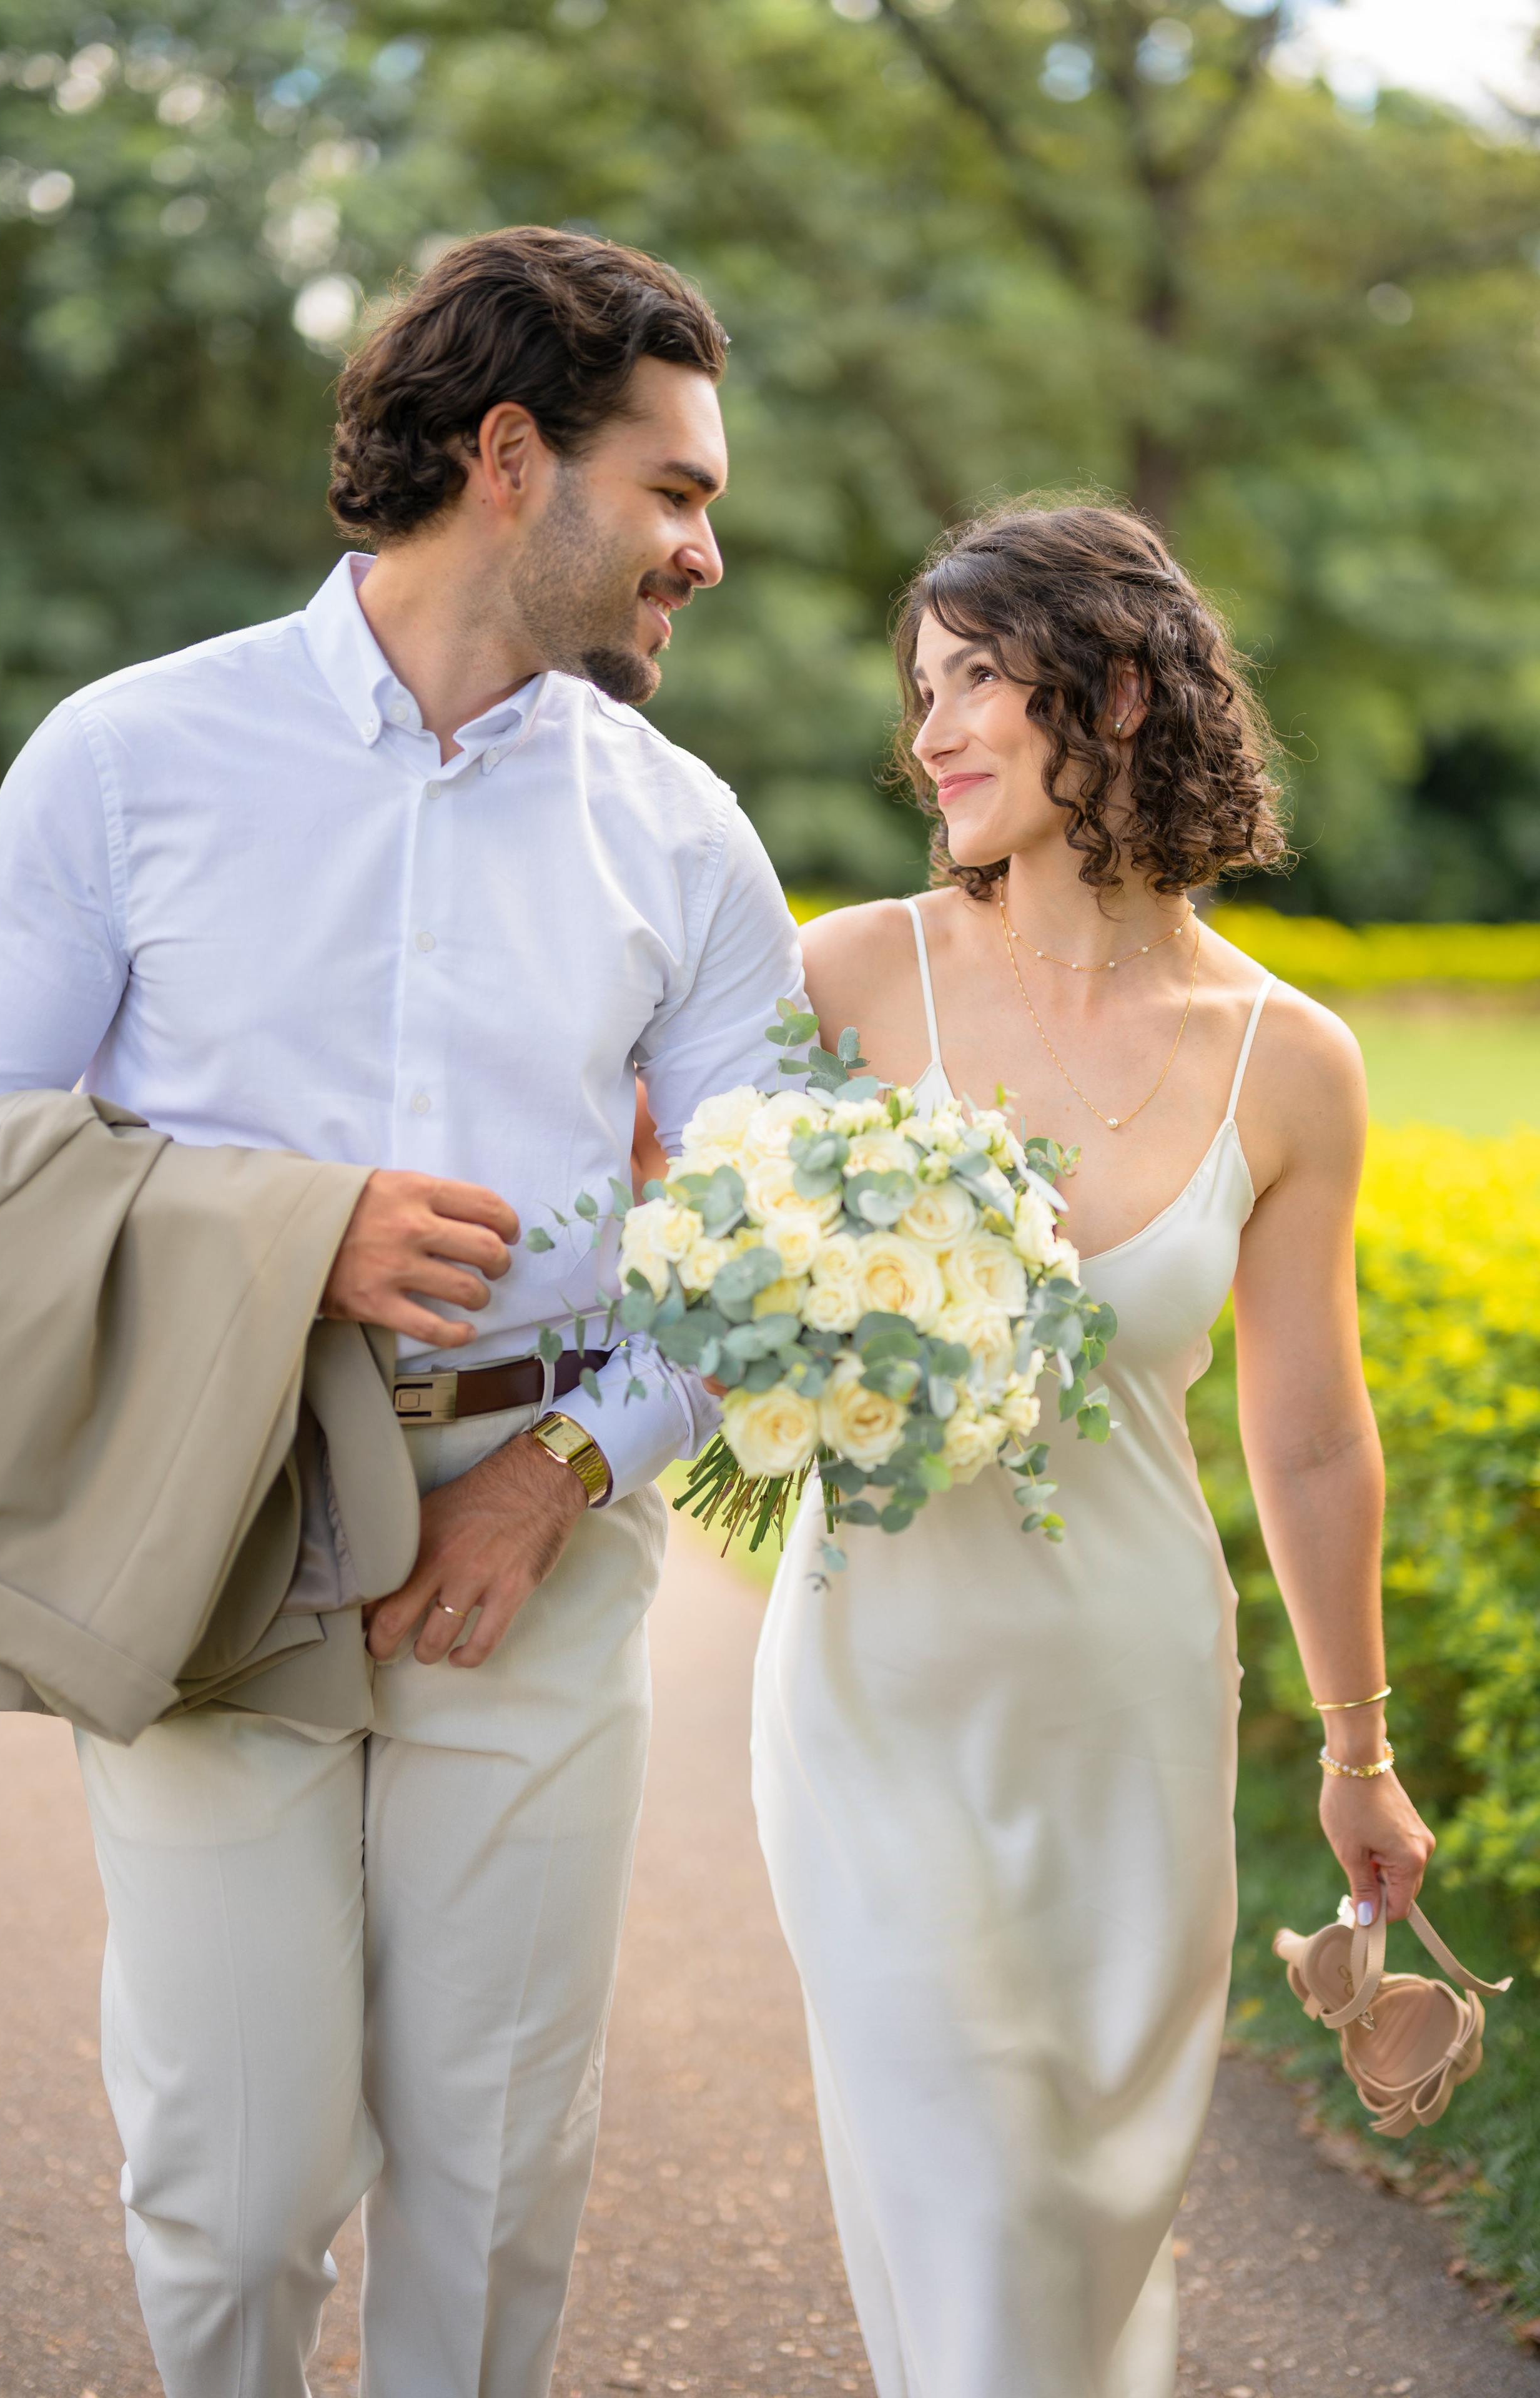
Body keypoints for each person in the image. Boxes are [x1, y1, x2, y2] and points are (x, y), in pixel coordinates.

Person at [0, 227, 801, 2398]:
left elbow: (775, 1243)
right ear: (513, 456)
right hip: (213, 1513)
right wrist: (286, 1235)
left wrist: (562, 1469)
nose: (711, 544)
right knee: (230, 2187)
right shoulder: (131, 759)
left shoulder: (685, 834)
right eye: (678, 490)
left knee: (501, 2168)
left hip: (541, 1539)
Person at [751, 501, 1434, 2398]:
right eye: (922, 691)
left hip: (1132, 1705)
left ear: (1118, 690)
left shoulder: (1287, 1058)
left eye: (977, 678)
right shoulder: (849, 981)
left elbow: (1308, 1436)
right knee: (970, 2188)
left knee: (1081, 2220)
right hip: (875, 1693)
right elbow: (690, 1282)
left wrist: (1360, 1756)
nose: (934, 732)